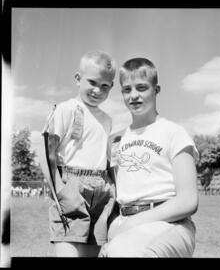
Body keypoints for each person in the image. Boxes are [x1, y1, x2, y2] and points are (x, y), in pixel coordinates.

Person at [100, 58, 199, 257]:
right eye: (127, 89)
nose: (134, 95)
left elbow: (188, 200)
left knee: (125, 253)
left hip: (169, 222)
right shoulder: (116, 140)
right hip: (124, 222)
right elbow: (116, 191)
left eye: (141, 87)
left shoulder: (174, 132)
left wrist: (134, 222)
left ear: (156, 89)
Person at [45, 51, 116, 257]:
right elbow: (46, 152)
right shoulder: (65, 109)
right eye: (92, 82)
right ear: (78, 79)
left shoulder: (107, 119)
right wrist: (60, 189)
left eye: (105, 86)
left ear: (111, 86)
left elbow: (106, 158)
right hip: (72, 186)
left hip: (101, 190)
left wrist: (113, 190)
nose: (97, 90)